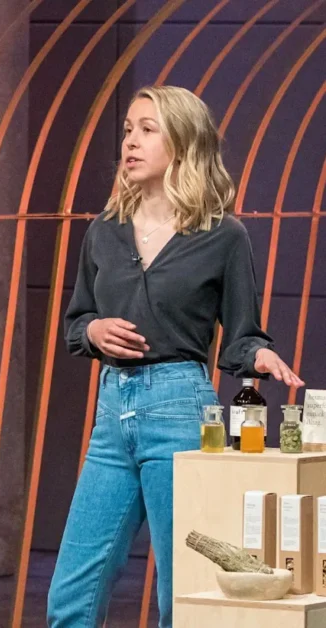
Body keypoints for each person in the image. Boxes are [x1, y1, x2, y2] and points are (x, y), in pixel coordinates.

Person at [46, 85, 304, 628]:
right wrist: (94, 329)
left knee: (183, 596)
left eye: (147, 130)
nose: (130, 142)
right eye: (127, 130)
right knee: (71, 595)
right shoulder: (104, 231)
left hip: (179, 409)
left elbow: (241, 336)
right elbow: (76, 322)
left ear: (184, 144)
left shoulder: (223, 236)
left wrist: (258, 355)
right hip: (111, 413)